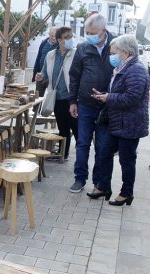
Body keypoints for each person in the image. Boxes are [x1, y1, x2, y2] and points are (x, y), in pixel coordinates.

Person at [87, 35, 149, 205]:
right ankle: (103, 186)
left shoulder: (136, 69)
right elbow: (119, 93)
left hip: (130, 123)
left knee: (127, 160)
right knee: (104, 153)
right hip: (116, 122)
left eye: (114, 53)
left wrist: (108, 98)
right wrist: (105, 95)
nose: (111, 56)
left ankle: (126, 193)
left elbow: (132, 98)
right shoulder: (123, 67)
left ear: (126, 52)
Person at [68, 13, 114, 193]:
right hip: (85, 105)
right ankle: (79, 179)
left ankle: (98, 183)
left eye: (92, 33)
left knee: (102, 146)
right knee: (82, 143)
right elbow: (74, 76)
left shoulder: (116, 46)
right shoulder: (83, 48)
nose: (89, 36)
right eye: (87, 32)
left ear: (103, 31)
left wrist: (110, 96)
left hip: (107, 106)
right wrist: (73, 101)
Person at [35, 26, 78, 161]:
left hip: (72, 98)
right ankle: (62, 154)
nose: (70, 40)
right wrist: (40, 76)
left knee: (77, 129)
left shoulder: (76, 54)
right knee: (62, 128)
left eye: (71, 37)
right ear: (59, 40)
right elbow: (44, 72)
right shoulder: (51, 55)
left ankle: (82, 156)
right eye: (66, 37)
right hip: (57, 97)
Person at [32, 26, 59, 97]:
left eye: (55, 36)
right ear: (49, 34)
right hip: (41, 74)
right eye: (52, 36)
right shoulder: (44, 43)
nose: (53, 38)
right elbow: (38, 58)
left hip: (53, 76)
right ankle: (36, 108)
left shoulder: (59, 46)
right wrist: (35, 73)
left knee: (52, 98)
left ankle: (48, 108)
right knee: (37, 97)